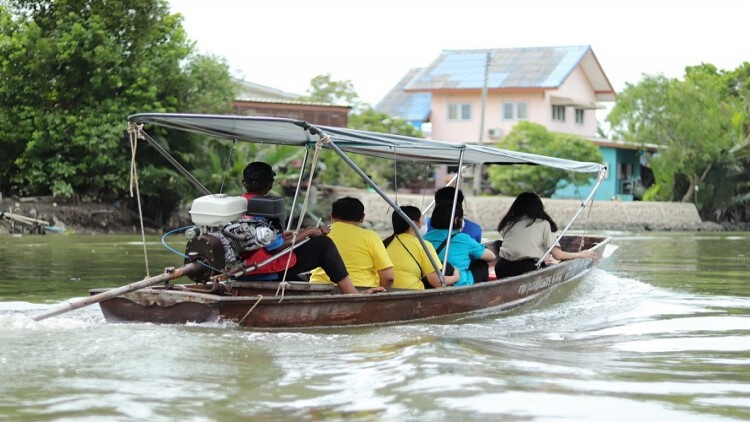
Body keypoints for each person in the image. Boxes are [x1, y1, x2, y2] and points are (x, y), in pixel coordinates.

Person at [240, 162, 373, 294]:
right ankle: (350, 291)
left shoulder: (239, 204)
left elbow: (268, 237)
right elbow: (276, 247)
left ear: (243, 183)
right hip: (263, 267)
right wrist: (308, 231)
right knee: (323, 244)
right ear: (270, 183)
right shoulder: (263, 207)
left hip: (244, 266)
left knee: (300, 279)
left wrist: (302, 232)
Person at [495, 191, 597, 278]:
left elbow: (519, 246)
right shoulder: (543, 223)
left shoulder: (508, 223)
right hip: (526, 269)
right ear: (539, 207)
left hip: (502, 268)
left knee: (546, 261)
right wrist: (580, 254)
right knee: (549, 263)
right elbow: (558, 255)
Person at [310, 197, 394, 289]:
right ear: (362, 218)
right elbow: (388, 277)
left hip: (319, 289)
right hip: (360, 291)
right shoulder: (370, 237)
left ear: (331, 216)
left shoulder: (318, 234)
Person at [383, 205, 460, 290]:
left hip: (385, 290)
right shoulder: (424, 245)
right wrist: (456, 277)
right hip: (413, 292)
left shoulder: (384, 243)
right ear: (415, 223)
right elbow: (437, 281)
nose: (424, 222)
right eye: (422, 219)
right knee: (448, 269)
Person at [423, 203, 495, 286]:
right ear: (456, 220)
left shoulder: (424, 238)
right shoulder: (464, 239)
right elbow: (492, 256)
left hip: (430, 283)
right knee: (481, 265)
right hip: (457, 283)